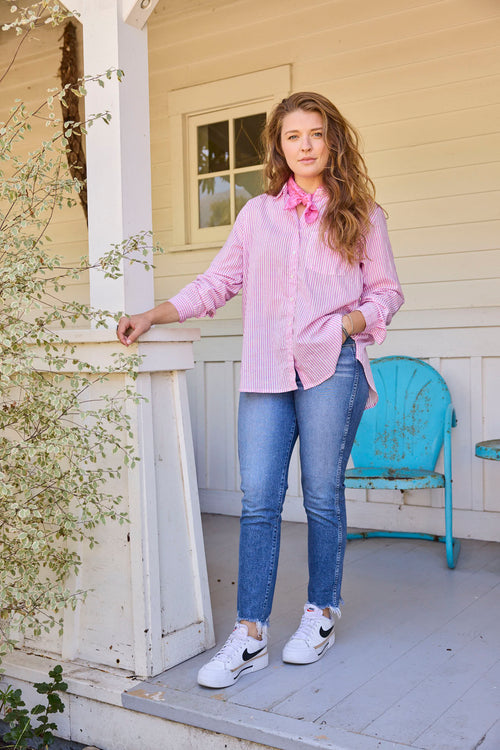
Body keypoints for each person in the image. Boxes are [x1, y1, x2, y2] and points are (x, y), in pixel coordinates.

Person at [117, 92, 404, 689]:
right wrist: (155, 313)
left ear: (333, 142)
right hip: (267, 370)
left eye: (316, 134)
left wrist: (350, 323)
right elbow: (219, 281)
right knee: (259, 502)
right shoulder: (258, 216)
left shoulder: (362, 214)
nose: (305, 145)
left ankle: (320, 614)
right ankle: (249, 635)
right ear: (278, 145)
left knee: (322, 495)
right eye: (293, 136)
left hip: (333, 365)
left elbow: (386, 292)